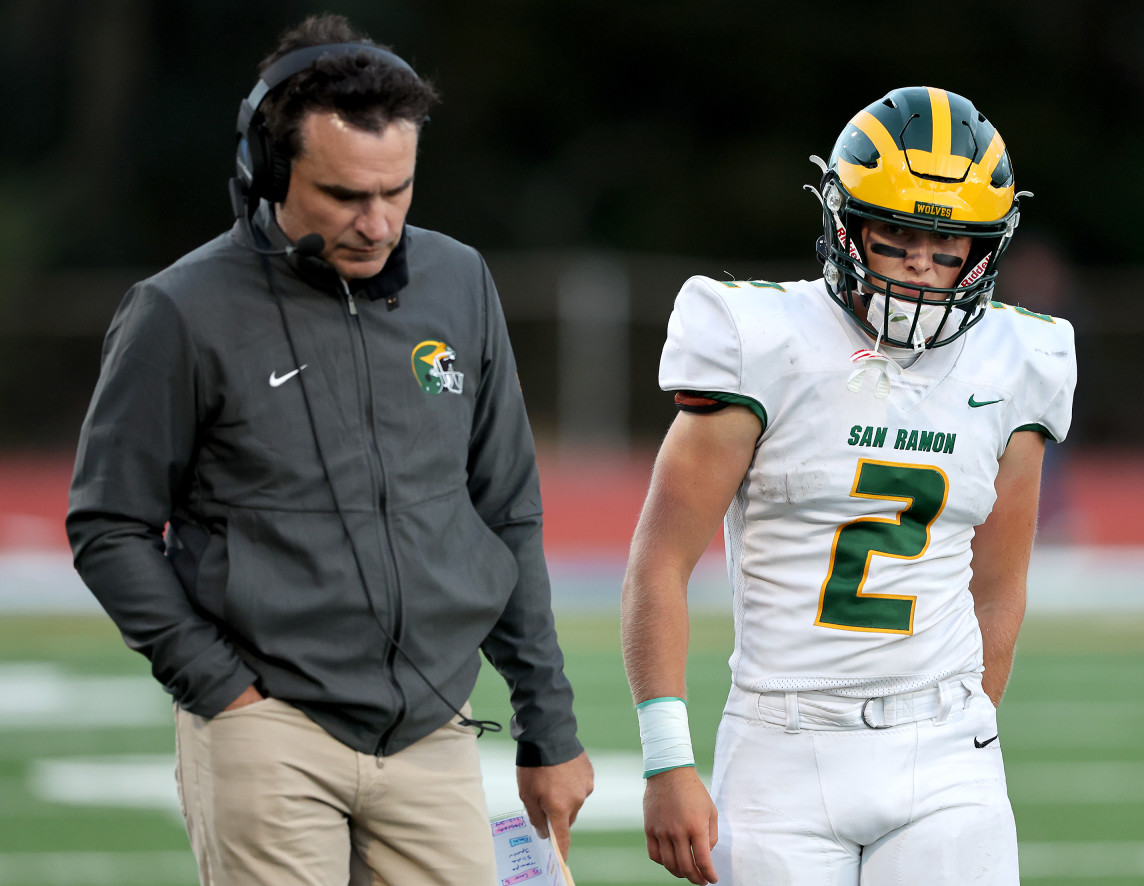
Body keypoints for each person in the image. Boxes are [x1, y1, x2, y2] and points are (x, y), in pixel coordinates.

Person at [66, 14, 592, 886]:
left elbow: (506, 510)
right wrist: (220, 691)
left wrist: (550, 726)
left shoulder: (460, 282)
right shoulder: (178, 311)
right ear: (267, 171)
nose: (377, 223)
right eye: (346, 196)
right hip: (267, 728)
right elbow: (108, 524)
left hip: (434, 725)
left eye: (398, 191)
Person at [621, 85, 1076, 885]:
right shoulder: (759, 339)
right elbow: (659, 561)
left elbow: (998, 587)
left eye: (949, 248)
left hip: (944, 750)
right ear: (843, 224)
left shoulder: (1018, 360)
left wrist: (969, 732)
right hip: (781, 748)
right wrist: (665, 759)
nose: (922, 269)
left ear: (986, 252)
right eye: (896, 236)